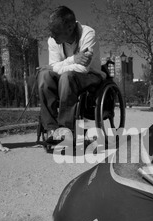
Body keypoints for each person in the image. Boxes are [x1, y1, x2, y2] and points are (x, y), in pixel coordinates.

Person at [38, 6, 106, 144]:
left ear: (69, 28)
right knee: (45, 75)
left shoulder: (88, 34)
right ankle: (51, 128)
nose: (52, 36)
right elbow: (52, 68)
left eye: (55, 32)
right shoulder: (53, 41)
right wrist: (73, 59)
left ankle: (66, 130)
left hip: (91, 76)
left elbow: (82, 69)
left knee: (67, 76)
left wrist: (61, 65)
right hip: (68, 77)